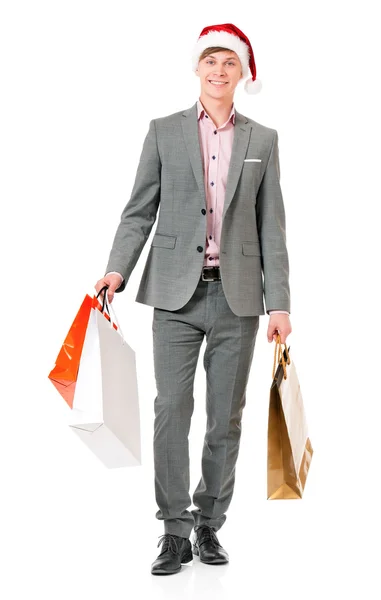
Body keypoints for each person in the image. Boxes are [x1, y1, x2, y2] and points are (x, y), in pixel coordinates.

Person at [95, 22, 292, 575]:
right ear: (196, 68)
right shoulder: (164, 131)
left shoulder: (263, 140)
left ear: (243, 71)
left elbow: (271, 226)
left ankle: (209, 525)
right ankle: (173, 529)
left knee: (225, 419)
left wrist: (279, 303)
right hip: (174, 295)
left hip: (238, 300)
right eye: (210, 61)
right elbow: (139, 208)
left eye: (229, 62)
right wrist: (116, 270)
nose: (218, 71)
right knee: (170, 410)